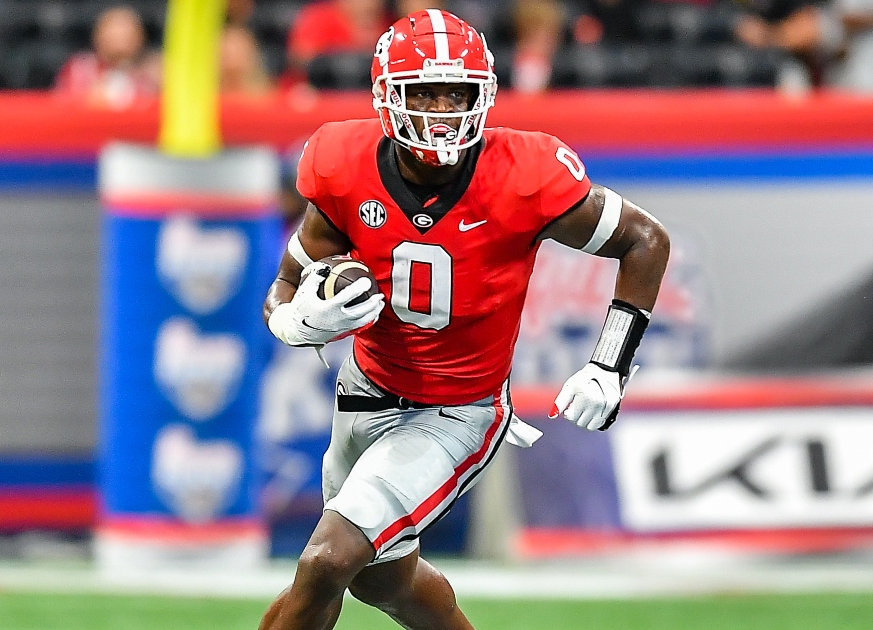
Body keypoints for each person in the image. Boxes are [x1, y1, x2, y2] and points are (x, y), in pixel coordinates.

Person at [258, 9, 670, 630]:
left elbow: (644, 241)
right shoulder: (341, 162)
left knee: (325, 559)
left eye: (459, 93)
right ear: (386, 96)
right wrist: (297, 322)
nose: (443, 110)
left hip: (457, 409)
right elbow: (288, 283)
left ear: (486, 95)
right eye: (425, 92)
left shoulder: (524, 174)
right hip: (364, 390)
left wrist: (608, 364)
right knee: (382, 582)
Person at [53, 5, 160, 109]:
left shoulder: (154, 71)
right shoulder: (79, 68)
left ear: (141, 37)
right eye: (114, 34)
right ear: (97, 36)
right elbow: (62, 106)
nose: (119, 40)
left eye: (126, 35)